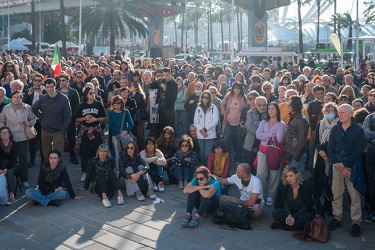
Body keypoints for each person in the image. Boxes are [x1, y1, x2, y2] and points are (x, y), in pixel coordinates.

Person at [328, 104, 366, 237]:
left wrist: (344, 165)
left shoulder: (358, 130)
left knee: (354, 196)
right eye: (339, 112)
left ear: (351, 114)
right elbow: (330, 148)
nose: (340, 114)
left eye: (343, 112)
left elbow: (358, 151)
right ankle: (337, 218)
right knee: (336, 193)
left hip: (352, 166)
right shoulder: (335, 129)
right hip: (337, 165)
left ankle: (356, 222)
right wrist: (338, 164)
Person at [0, 90, 35, 188]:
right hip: (10, 138)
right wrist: (4, 131)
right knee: (11, 158)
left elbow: (33, 118)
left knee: (23, 158)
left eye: (18, 97)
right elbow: (2, 121)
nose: (16, 99)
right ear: (11, 98)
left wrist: (30, 123)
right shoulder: (6, 108)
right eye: (14, 97)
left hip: (23, 136)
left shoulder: (27, 107)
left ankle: (24, 179)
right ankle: (10, 179)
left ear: (21, 98)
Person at [31, 78, 71, 163]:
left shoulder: (63, 99)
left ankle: (59, 172)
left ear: (55, 86)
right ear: (45, 87)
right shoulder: (43, 98)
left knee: (58, 155)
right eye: (48, 87)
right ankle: (47, 172)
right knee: (46, 154)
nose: (50, 89)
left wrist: (63, 130)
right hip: (45, 131)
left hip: (58, 131)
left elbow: (68, 115)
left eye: (52, 86)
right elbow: (34, 108)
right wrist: (42, 117)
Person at [271, 166, 323, 230]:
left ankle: (285, 226)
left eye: (291, 176)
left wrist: (294, 217)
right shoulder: (284, 185)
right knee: (276, 213)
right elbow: (285, 203)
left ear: (297, 175)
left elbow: (306, 205)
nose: (288, 179)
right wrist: (289, 215)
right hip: (290, 211)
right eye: (286, 176)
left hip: (302, 212)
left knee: (309, 216)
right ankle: (294, 226)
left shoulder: (306, 185)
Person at [255, 102, 286, 206]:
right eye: (269, 109)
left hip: (275, 153)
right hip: (263, 151)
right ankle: (261, 194)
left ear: (277, 110)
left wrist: (265, 136)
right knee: (261, 175)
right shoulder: (263, 122)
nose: (270, 111)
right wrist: (269, 135)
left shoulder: (281, 124)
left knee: (274, 175)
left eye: (273, 109)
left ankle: (270, 196)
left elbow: (279, 138)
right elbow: (257, 135)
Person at [75, 87, 107, 182]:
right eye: (90, 93)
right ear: (86, 95)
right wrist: (84, 118)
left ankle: (95, 171)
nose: (93, 94)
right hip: (84, 131)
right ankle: (85, 172)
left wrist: (95, 119)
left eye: (94, 92)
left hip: (96, 130)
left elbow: (104, 117)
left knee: (96, 151)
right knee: (84, 151)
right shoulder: (82, 105)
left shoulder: (98, 104)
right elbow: (77, 119)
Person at [314, 102, 339, 215]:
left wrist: (329, 155)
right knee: (321, 180)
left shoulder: (339, 125)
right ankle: (324, 204)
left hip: (333, 156)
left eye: (331, 111)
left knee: (331, 182)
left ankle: (332, 205)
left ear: (336, 112)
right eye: (326, 111)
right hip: (321, 155)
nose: (328, 113)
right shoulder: (320, 123)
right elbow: (316, 140)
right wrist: (321, 152)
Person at [57, 72, 80, 165]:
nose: (62, 82)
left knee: (71, 138)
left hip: (70, 118)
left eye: (63, 80)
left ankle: (72, 156)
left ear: (68, 81)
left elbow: (77, 106)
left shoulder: (73, 92)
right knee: (59, 138)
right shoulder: (57, 91)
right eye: (60, 81)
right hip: (59, 119)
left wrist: (76, 119)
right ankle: (58, 158)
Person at [221, 83, 246, 164]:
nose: (236, 90)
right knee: (226, 140)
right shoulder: (228, 97)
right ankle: (227, 159)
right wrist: (224, 113)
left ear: (241, 90)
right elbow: (222, 104)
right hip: (229, 121)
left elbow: (245, 109)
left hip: (239, 122)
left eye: (238, 88)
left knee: (238, 141)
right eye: (235, 88)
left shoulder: (243, 99)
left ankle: (238, 159)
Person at [108, 95, 134, 170]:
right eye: (114, 103)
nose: (116, 104)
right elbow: (111, 125)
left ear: (121, 103)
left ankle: (129, 167)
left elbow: (131, 123)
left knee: (127, 152)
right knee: (117, 154)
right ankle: (118, 170)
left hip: (125, 136)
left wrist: (126, 130)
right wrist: (120, 131)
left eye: (118, 103)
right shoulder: (111, 113)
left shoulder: (126, 112)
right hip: (115, 135)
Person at [193, 90, 219, 165]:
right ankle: (203, 169)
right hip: (200, 134)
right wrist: (202, 130)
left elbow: (215, 121)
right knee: (202, 154)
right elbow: (196, 121)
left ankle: (208, 169)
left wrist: (205, 129)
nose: (205, 99)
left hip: (210, 134)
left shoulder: (213, 108)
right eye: (203, 97)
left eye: (207, 97)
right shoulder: (198, 108)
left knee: (207, 154)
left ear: (209, 98)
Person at [285, 96, 309, 171]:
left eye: (289, 104)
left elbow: (302, 141)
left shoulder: (301, 120)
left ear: (294, 106)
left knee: (295, 180)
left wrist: (295, 158)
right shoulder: (293, 117)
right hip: (291, 153)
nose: (287, 106)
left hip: (296, 156)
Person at [244, 96, 267, 175]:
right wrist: (261, 133)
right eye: (260, 105)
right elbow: (249, 127)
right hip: (251, 144)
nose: (262, 107)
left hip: (263, 145)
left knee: (262, 167)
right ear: (255, 105)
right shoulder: (250, 112)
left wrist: (255, 123)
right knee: (250, 165)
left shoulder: (268, 113)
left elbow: (268, 126)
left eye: (264, 105)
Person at [0, 127, 18, 205]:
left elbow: (14, 159)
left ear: (9, 134)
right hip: (1, 164)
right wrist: (0, 168)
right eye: (2, 133)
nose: (4, 134)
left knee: (10, 172)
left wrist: (7, 168)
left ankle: (11, 194)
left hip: (12, 164)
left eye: (6, 132)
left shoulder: (14, 144)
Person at [362, 112, 375, 223]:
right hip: (371, 152)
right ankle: (373, 211)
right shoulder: (369, 118)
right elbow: (364, 133)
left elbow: (368, 132)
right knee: (371, 183)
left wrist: (371, 133)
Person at [129, 82, 147, 150]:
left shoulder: (139, 95)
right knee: (136, 134)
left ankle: (143, 148)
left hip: (140, 117)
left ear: (135, 88)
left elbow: (137, 105)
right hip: (136, 117)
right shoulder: (131, 94)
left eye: (132, 86)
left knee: (140, 134)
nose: (130, 88)